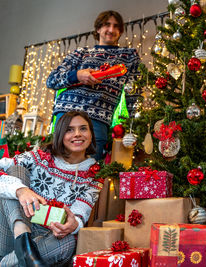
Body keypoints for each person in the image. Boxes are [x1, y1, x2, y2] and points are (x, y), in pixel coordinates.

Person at [0, 111, 103, 266]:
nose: (77, 134)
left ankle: (12, 260)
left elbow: (81, 212)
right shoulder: (40, 157)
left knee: (68, 242)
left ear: (91, 134)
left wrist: (73, 224)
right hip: (11, 231)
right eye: (69, 129)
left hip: (48, 238)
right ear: (60, 134)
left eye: (83, 129)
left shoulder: (94, 174)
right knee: (16, 170)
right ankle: (23, 240)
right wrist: (21, 190)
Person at [47, 10, 141, 160]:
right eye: (106, 25)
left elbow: (134, 93)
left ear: (120, 31)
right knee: (58, 165)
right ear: (98, 29)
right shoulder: (81, 53)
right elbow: (52, 80)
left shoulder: (129, 56)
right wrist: (77, 75)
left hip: (98, 118)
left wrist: (133, 126)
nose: (111, 30)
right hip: (66, 113)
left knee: (90, 170)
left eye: (116, 26)